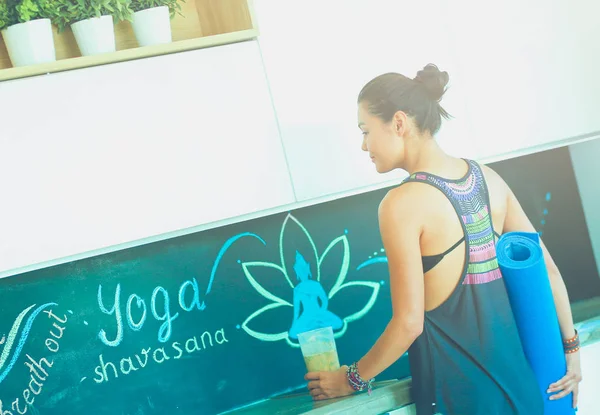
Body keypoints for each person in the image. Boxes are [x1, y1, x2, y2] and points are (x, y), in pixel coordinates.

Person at [304, 64, 583, 414]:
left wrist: (350, 379)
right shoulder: (490, 179)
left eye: (366, 131)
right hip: (522, 396)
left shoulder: (401, 204)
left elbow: (408, 323)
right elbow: (549, 273)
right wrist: (572, 351)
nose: (364, 145)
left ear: (400, 123)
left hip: (461, 401)